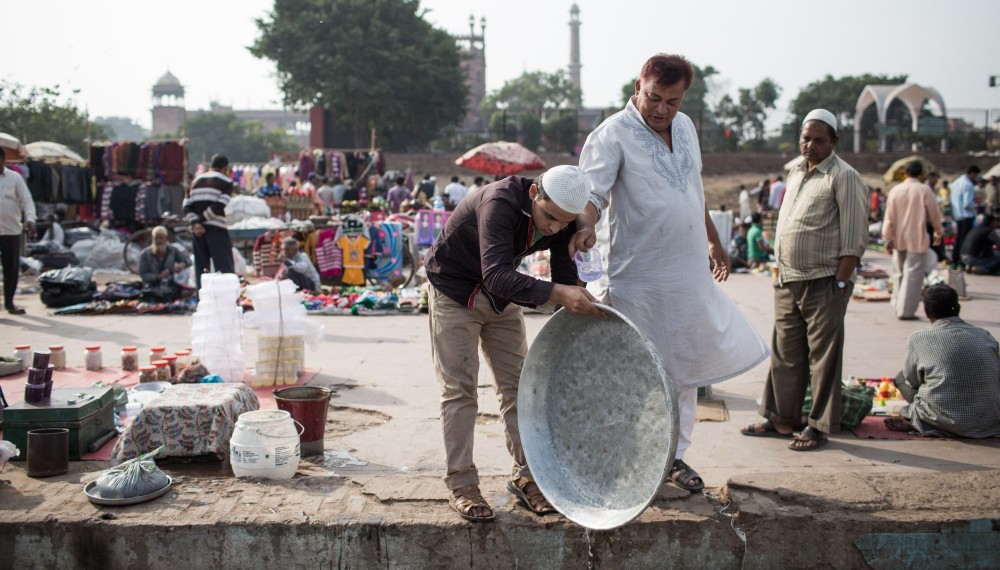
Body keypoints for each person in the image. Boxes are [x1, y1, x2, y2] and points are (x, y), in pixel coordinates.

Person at [576, 54, 769, 492]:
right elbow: (592, 195)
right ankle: (624, 462)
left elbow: (692, 188)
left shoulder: (685, 129)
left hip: (686, 276)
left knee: (684, 372)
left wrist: (713, 241)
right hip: (636, 280)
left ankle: (674, 458)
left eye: (673, 101)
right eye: (654, 97)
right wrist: (585, 226)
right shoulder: (611, 135)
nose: (661, 109)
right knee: (633, 375)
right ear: (638, 85)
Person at [425, 165, 603, 522]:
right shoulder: (500, 202)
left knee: (521, 388)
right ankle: (461, 483)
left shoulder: (563, 218)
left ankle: (527, 475)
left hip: (501, 296)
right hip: (456, 291)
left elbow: (563, 274)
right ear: (535, 193)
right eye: (549, 218)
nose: (553, 228)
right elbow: (496, 273)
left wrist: (575, 288)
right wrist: (557, 294)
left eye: (564, 223)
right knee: (460, 391)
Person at [741, 108, 868, 451]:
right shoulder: (795, 173)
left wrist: (840, 283)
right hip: (788, 279)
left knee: (822, 357)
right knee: (785, 351)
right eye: (805, 138)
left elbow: (855, 237)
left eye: (818, 140)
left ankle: (818, 425)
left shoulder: (843, 176)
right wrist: (780, 271)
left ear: (834, 142)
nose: (810, 145)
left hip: (825, 279)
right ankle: (781, 418)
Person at [884, 284, 1000, 438]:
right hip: (988, 420)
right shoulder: (985, 335)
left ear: (926, 311)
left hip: (946, 420)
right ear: (958, 308)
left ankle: (923, 419)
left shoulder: (918, 338)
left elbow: (912, 382)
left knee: (900, 378)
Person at [882, 160, 943, 319]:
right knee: (913, 275)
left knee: (899, 273)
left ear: (905, 173)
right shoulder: (924, 190)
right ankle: (906, 311)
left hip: (898, 237)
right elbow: (935, 214)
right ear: (921, 174)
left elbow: (888, 216)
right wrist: (938, 232)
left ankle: (898, 306)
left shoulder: (896, 190)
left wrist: (888, 237)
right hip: (917, 237)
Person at [183, 154, 236, 290]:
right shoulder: (226, 182)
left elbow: (186, 206)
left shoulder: (195, 182)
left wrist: (195, 224)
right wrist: (200, 221)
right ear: (225, 168)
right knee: (225, 270)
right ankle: (228, 302)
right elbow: (219, 206)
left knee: (202, 271)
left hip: (198, 232)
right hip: (216, 230)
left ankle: (202, 303)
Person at [0, 147, 36, 314]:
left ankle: (9, 303)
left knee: (11, 269)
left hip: (11, 231)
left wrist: (30, 220)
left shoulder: (14, 178)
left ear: (3, 160)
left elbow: (26, 200)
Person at [139, 226, 192, 301]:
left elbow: (189, 261)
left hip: (170, 286)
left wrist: (182, 264)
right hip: (152, 287)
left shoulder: (173, 250)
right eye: (156, 238)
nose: (158, 241)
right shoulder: (145, 254)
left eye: (161, 238)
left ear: (166, 239)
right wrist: (157, 276)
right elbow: (143, 274)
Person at [949, 165, 981, 268]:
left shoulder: (956, 182)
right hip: (966, 216)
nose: (975, 178)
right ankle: (960, 261)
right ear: (972, 173)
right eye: (975, 175)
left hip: (957, 215)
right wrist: (976, 206)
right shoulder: (968, 185)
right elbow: (967, 203)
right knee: (964, 240)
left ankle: (954, 260)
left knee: (958, 239)